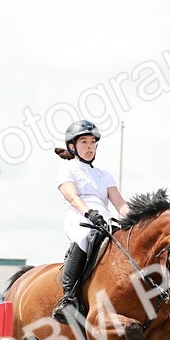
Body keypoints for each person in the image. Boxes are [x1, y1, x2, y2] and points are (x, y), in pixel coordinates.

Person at [53, 119, 129, 320]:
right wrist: (89, 213)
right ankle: (68, 297)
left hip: (105, 220)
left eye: (92, 142)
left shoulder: (105, 175)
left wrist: (137, 218)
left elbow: (120, 204)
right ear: (72, 146)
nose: (89, 147)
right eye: (84, 142)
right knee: (87, 235)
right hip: (79, 219)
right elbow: (72, 197)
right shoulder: (68, 170)